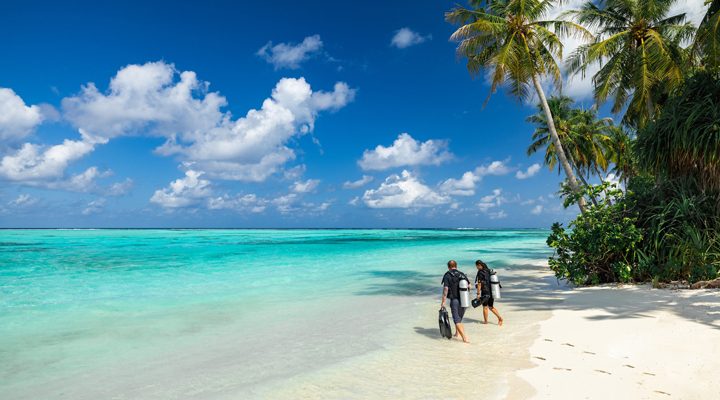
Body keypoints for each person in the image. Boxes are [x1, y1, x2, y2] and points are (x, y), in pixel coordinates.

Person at [440, 260, 472, 343]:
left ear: (448, 266)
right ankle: (457, 334)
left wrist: (443, 301)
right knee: (459, 318)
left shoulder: (447, 275)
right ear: (456, 265)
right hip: (464, 300)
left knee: (457, 320)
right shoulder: (462, 274)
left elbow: (445, 289)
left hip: (454, 301)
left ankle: (465, 338)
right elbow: (470, 286)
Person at [475, 260, 503, 326]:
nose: (476, 267)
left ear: (479, 265)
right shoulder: (488, 270)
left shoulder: (480, 272)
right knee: (490, 307)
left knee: (485, 307)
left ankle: (486, 323)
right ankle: (500, 318)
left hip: (485, 291)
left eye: (476, 266)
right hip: (492, 290)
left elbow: (479, 284)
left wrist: (478, 294)